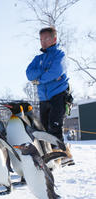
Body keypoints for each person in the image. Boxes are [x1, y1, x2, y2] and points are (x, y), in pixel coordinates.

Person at [26, 27, 74, 166]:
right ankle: (62, 155)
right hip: (43, 98)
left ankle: (62, 157)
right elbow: (29, 74)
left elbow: (56, 71)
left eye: (46, 39)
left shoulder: (60, 55)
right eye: (41, 39)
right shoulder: (38, 58)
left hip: (58, 95)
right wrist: (44, 71)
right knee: (45, 129)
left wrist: (39, 79)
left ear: (54, 39)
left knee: (55, 126)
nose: (43, 42)